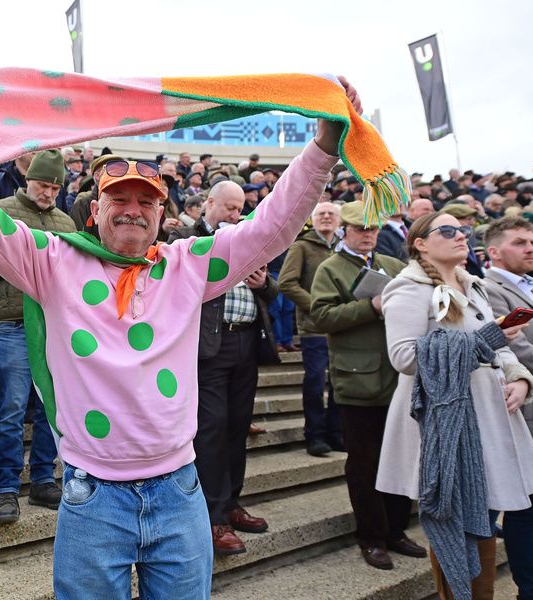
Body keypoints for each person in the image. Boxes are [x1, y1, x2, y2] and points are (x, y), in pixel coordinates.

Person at [0, 77, 360, 599]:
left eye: (146, 201)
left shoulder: (189, 264)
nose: (132, 208)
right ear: (95, 211)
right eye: (119, 198)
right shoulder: (52, 260)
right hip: (94, 497)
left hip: (180, 490)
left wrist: (322, 149)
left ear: (161, 216)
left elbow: (271, 226)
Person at [376, 211, 533, 599]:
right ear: (420, 243)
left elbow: (498, 348)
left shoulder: (473, 284)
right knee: (457, 522)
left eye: (463, 230)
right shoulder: (408, 287)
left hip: (489, 415)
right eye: (449, 230)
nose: (461, 236)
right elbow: (404, 357)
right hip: (447, 422)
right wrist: (484, 340)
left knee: (484, 517)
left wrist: (519, 377)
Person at [169, 181, 277, 555]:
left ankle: (231, 503)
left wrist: (263, 284)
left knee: (237, 425)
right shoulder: (186, 237)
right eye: (230, 207)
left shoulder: (248, 238)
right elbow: (174, 284)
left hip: (246, 341)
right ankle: (212, 515)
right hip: (208, 347)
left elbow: (272, 292)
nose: (236, 214)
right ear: (209, 203)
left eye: (240, 208)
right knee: (212, 427)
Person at [309, 201, 419, 570]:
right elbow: (321, 316)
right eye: (360, 229)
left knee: (400, 458)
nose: (368, 235)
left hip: (398, 376)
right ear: (346, 230)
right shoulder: (331, 268)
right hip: (357, 379)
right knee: (365, 463)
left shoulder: (392, 265)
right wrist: (371, 306)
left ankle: (396, 530)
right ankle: (371, 536)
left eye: (372, 229)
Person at [0, 150, 72, 524]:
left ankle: (42, 479)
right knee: (11, 408)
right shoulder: (1, 211)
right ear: (28, 179)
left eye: (55, 187)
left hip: (54, 326)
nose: (48, 192)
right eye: (42, 184)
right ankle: (6, 487)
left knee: (48, 409)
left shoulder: (65, 222)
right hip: (14, 322)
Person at [482, 217, 533, 600]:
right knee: (530, 510)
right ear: (494, 252)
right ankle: (530, 591)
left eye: (532, 241)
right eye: (519, 242)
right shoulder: (489, 289)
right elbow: (518, 350)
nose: (531, 248)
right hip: (531, 412)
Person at [278, 201, 343, 457]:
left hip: (342, 326)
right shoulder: (302, 246)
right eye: (321, 213)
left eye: (331, 213)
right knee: (315, 382)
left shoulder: (344, 246)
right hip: (313, 326)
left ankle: (336, 433)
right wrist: (317, 306)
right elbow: (287, 282)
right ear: (313, 219)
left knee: (339, 383)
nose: (326, 217)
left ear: (339, 219)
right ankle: (314, 435)